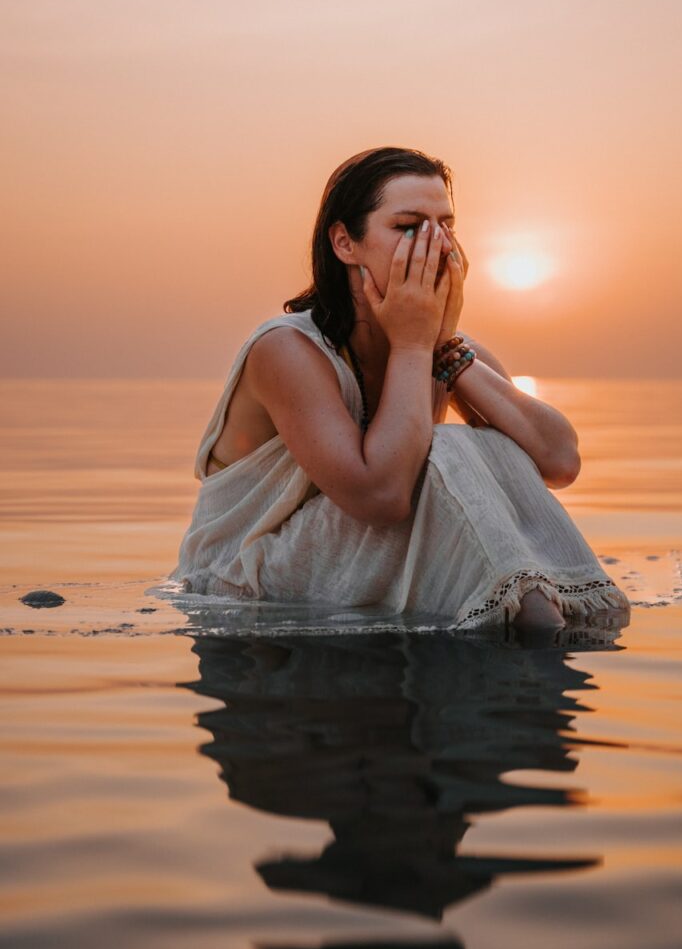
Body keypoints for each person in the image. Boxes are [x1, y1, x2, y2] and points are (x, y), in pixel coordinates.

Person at [171, 146, 631, 633]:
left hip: (347, 561)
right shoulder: (286, 350)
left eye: (445, 225)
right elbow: (383, 497)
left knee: (494, 443)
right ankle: (528, 614)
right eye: (409, 226)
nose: (436, 244)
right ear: (346, 244)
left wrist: (443, 345)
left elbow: (559, 461)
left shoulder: (438, 344)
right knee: (450, 446)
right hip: (240, 582)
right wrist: (414, 345)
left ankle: (544, 607)